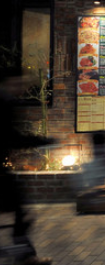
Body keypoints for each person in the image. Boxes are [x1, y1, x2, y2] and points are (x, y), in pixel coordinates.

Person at [0, 93, 53, 265]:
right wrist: (43, 141)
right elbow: (13, 138)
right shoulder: (4, 101)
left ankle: (25, 254)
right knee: (22, 213)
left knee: (21, 212)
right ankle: (25, 256)